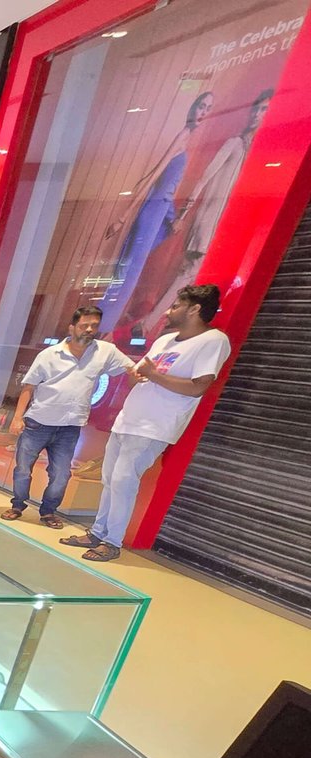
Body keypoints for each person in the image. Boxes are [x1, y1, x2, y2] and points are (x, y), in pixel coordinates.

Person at [61, 284, 230, 562]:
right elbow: (138, 375)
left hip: (154, 425)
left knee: (123, 481)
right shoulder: (166, 340)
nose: (168, 311)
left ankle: (112, 542)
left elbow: (198, 387)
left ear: (195, 309)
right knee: (109, 479)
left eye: (175, 306)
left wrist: (154, 375)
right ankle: (98, 532)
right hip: (128, 419)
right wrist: (138, 375)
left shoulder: (213, 341)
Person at [136, 90, 272, 340]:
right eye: (257, 108)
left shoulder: (252, 152)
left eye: (264, 110)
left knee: (194, 278)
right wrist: (184, 214)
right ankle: (150, 324)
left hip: (223, 228)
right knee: (188, 274)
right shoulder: (233, 143)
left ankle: (160, 326)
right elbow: (203, 179)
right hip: (207, 224)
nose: (257, 114)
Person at [3, 305, 135, 528]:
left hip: (69, 427)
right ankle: (17, 505)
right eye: (84, 325)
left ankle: (48, 512)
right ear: (72, 327)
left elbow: (131, 368)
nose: (89, 330)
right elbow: (29, 386)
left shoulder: (104, 351)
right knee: (23, 468)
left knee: (61, 474)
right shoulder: (49, 355)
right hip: (38, 423)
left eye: (94, 326)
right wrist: (18, 418)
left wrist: (148, 375)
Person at [98, 91, 213, 329]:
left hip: (161, 212)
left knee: (130, 272)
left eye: (208, 109)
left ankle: (104, 324)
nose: (203, 112)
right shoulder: (182, 136)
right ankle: (102, 326)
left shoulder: (187, 139)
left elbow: (168, 191)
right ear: (193, 107)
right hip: (153, 212)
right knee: (128, 273)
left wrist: (172, 217)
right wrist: (124, 216)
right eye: (202, 106)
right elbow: (155, 178)